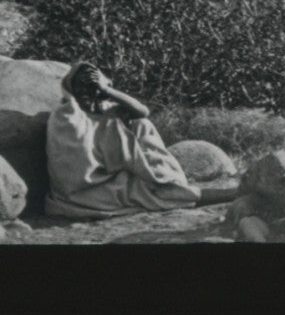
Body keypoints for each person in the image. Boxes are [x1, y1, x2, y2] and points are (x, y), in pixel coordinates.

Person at [43, 61, 236, 219]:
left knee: (142, 124)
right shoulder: (66, 117)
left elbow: (142, 112)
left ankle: (220, 192)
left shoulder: (107, 111)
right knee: (156, 192)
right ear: (71, 88)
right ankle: (229, 194)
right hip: (86, 191)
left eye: (92, 86)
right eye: (82, 86)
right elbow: (77, 170)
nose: (87, 91)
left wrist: (106, 90)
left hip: (111, 178)